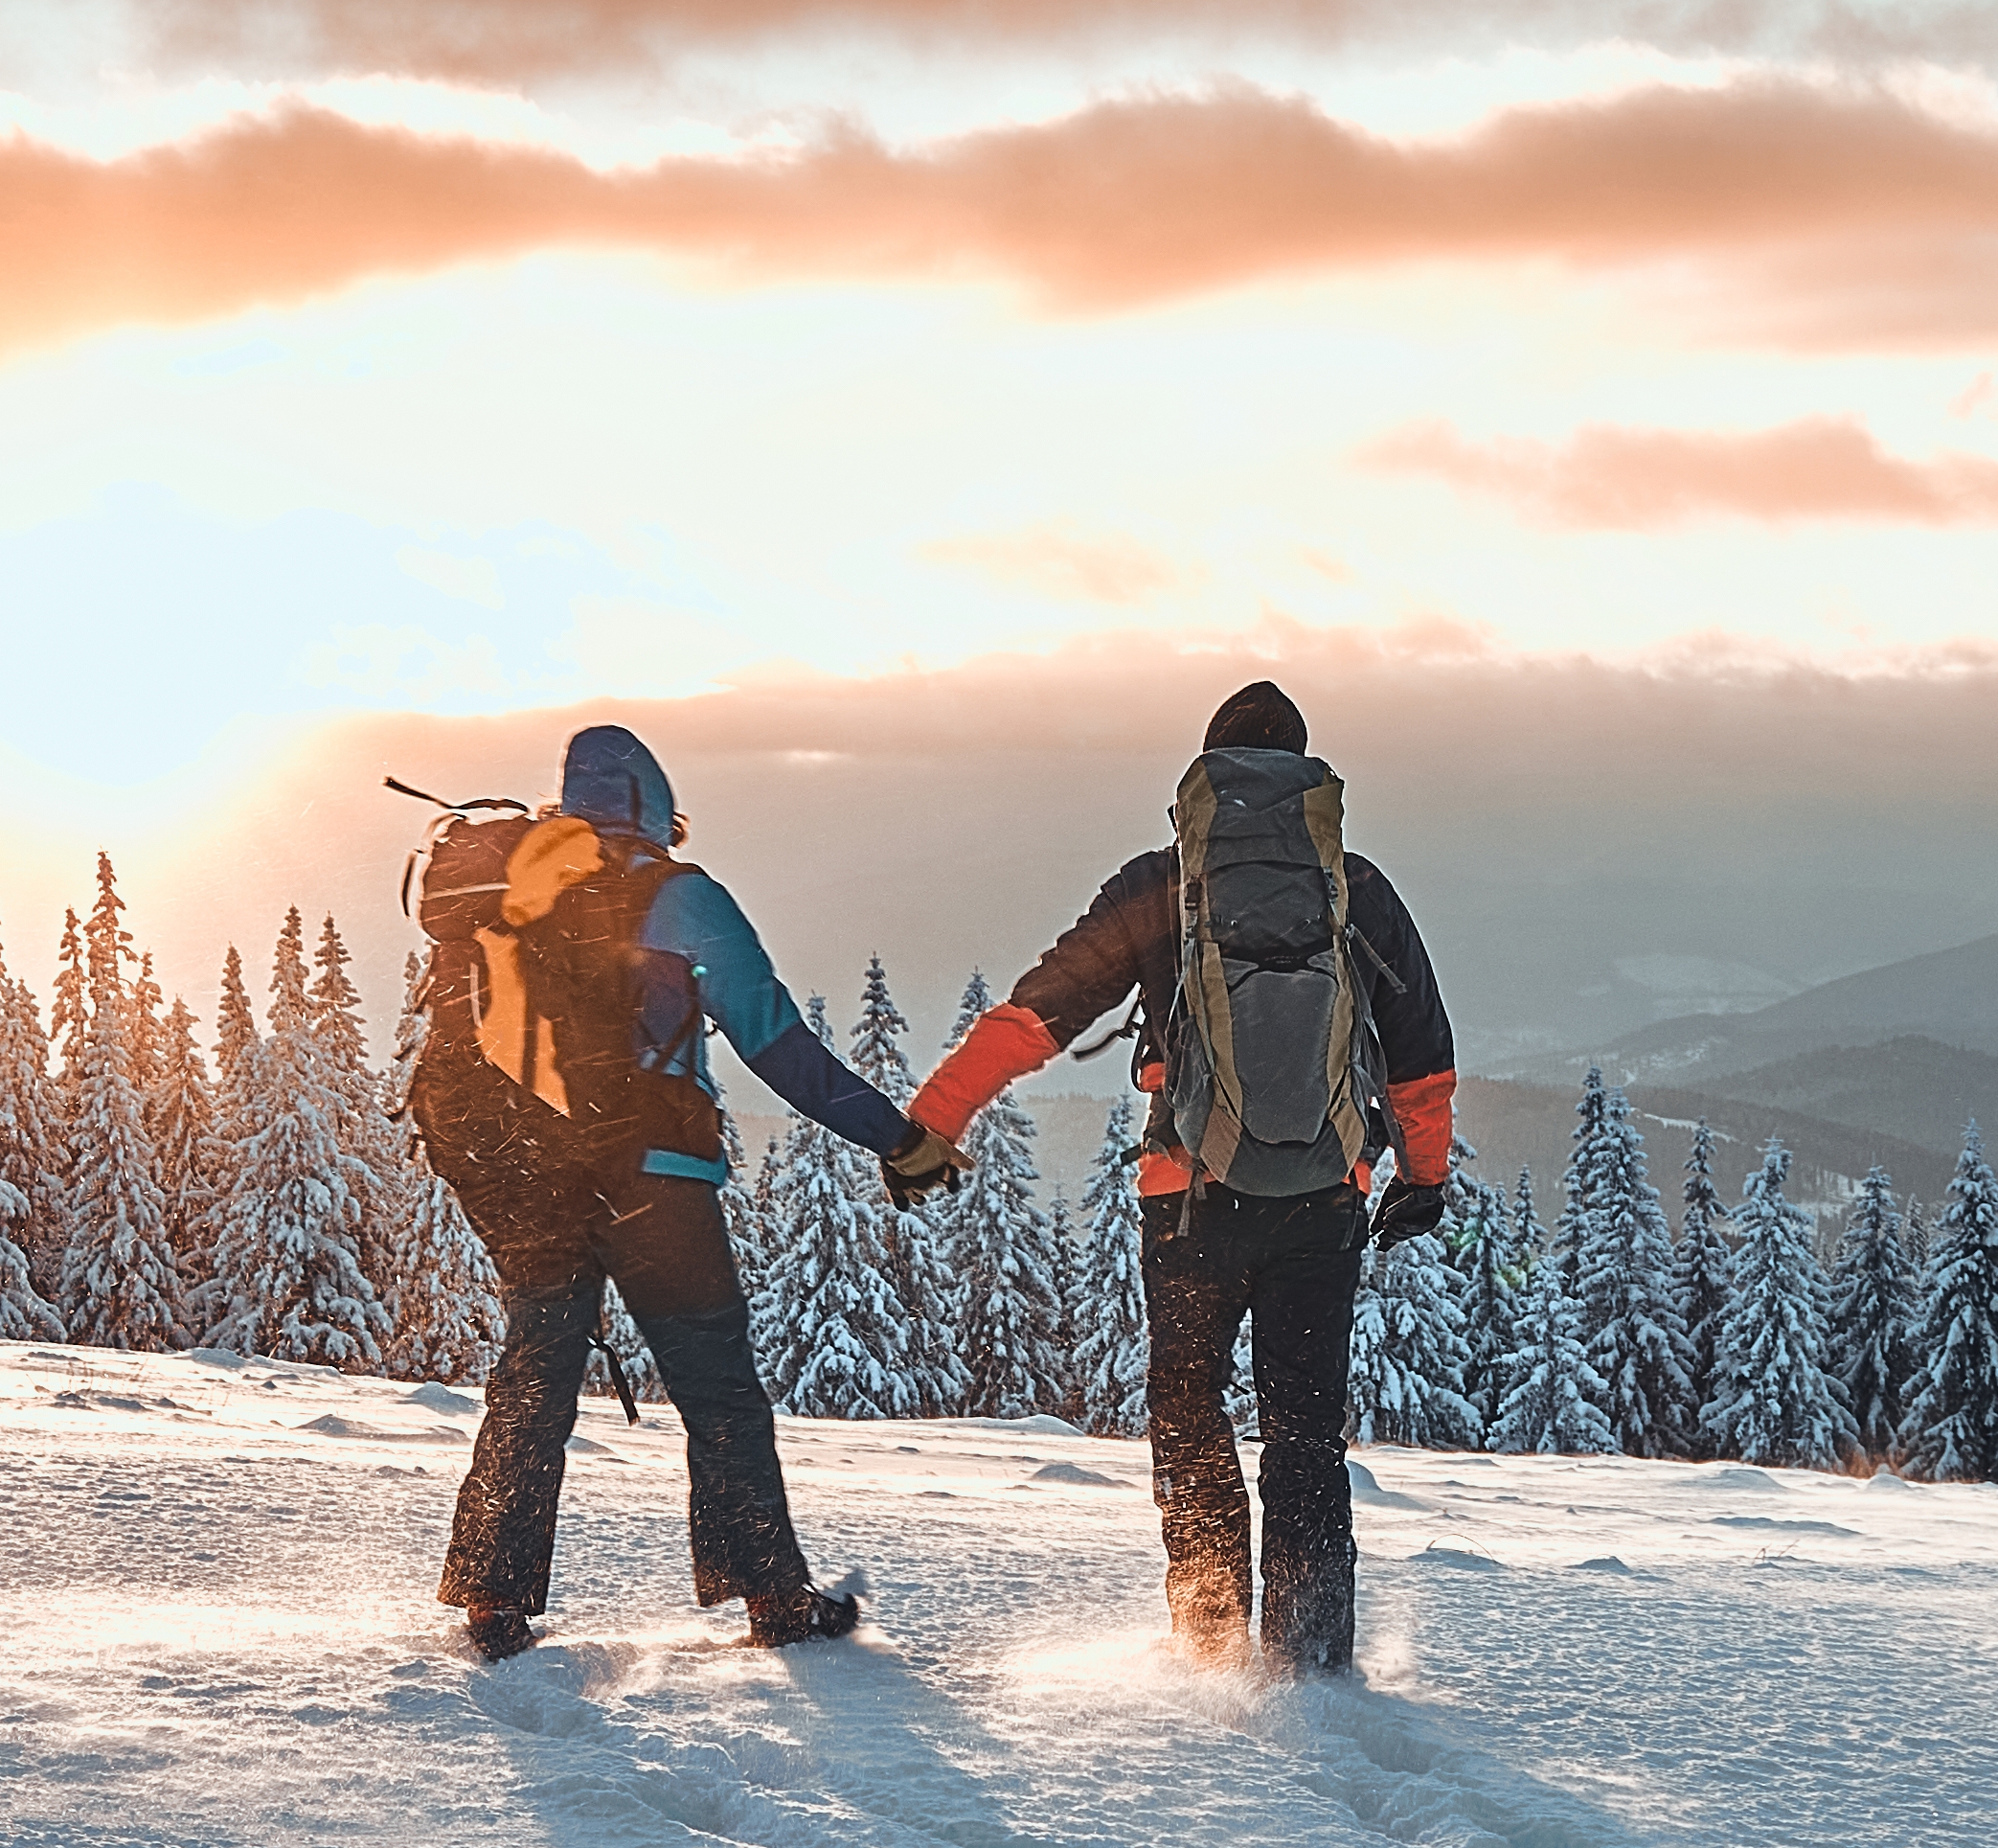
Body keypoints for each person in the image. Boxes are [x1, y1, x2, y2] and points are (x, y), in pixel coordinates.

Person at [897, 678, 1459, 1677]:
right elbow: (1422, 1054)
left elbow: (1042, 1013)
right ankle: (1311, 1661)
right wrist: (1423, 1176)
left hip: (1190, 1200)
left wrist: (937, 1118)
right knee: (1304, 1433)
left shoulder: (1162, 886)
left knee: (1190, 1412)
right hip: (1325, 1197)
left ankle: (1208, 1643)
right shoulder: (1354, 889)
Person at [410, 722, 956, 1656]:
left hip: (537, 1181)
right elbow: (776, 1042)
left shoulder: (514, 899)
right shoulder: (682, 897)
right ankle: (772, 1596)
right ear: (655, 806)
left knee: (533, 1380)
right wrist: (898, 1137)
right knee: (716, 1386)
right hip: (657, 1179)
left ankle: (492, 1601)